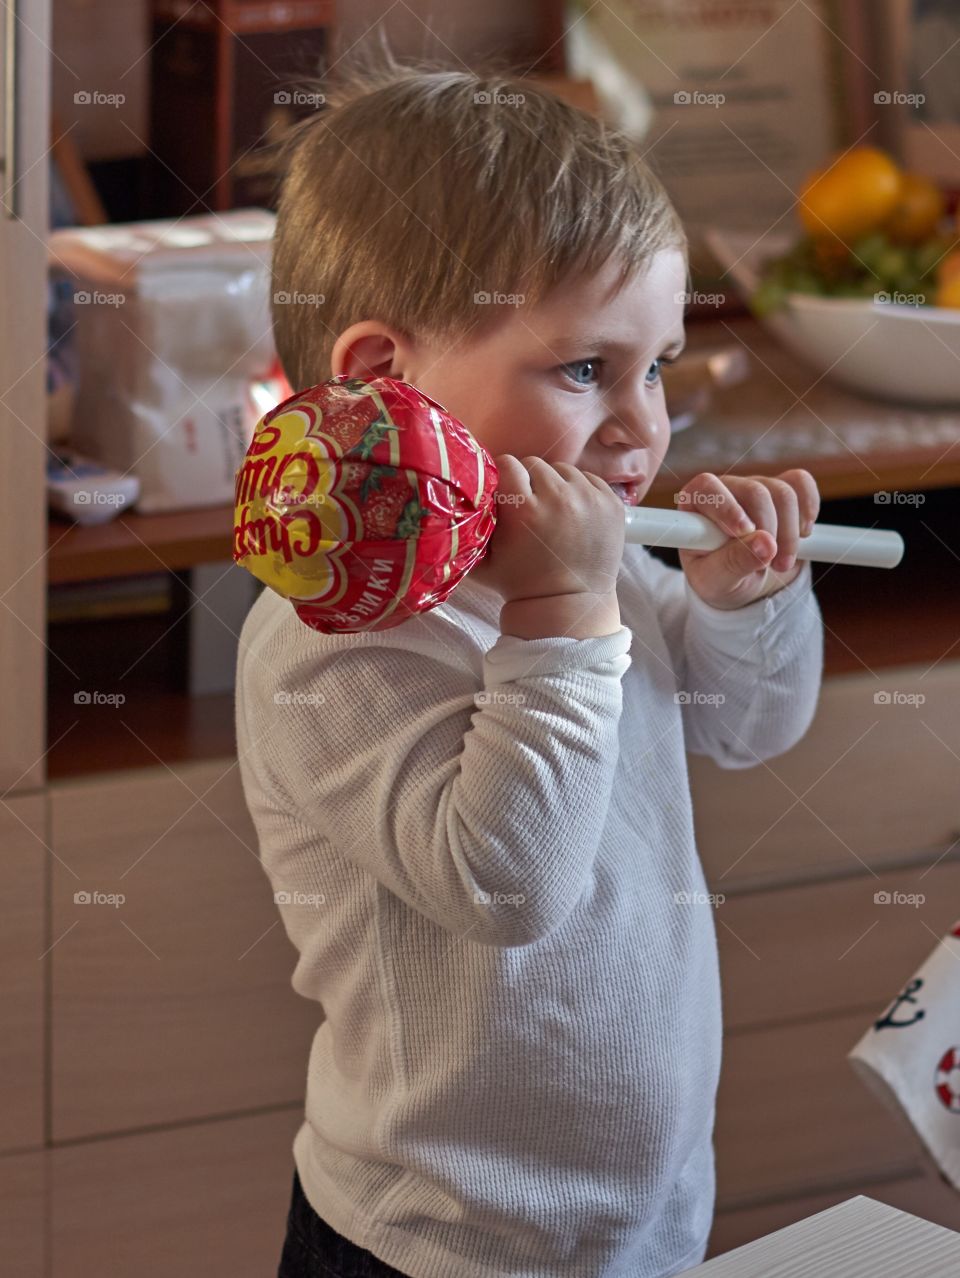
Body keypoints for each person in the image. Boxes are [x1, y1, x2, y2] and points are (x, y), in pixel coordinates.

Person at [235, 54, 824, 1278]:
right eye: (584, 369)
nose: (643, 426)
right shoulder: (327, 641)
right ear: (383, 382)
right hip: (431, 1243)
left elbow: (746, 726)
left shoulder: (596, 564)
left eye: (656, 365)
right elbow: (505, 886)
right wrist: (561, 612)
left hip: (646, 1224)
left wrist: (745, 600)